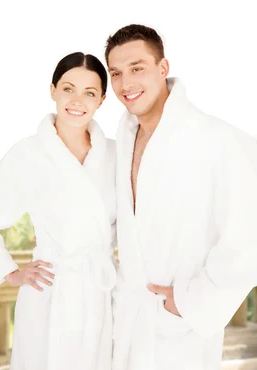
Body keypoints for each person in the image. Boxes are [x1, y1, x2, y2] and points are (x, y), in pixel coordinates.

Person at [106, 24, 257, 370]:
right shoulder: (124, 141)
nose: (126, 84)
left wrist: (193, 301)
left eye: (137, 68)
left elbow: (251, 236)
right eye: (116, 73)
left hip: (180, 327)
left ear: (163, 68)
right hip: (128, 322)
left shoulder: (218, 139)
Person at [0, 52, 117, 370]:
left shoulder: (115, 153)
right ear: (53, 91)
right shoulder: (29, 153)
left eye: (90, 93)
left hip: (102, 292)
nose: (78, 100)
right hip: (50, 291)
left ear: (101, 100)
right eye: (68, 88)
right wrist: (9, 271)